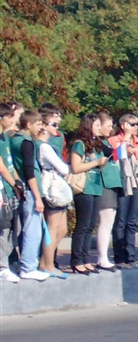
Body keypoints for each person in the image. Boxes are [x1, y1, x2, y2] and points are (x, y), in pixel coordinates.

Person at [9, 111, 50, 281]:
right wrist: (38, 197)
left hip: (22, 188)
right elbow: (29, 170)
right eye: (39, 124)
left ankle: (21, 264)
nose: (41, 127)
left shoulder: (14, 139)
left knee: (22, 228)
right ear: (29, 124)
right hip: (30, 189)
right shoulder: (26, 143)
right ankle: (28, 266)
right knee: (33, 229)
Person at [69, 113, 107, 275]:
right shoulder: (79, 144)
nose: (100, 128)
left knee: (91, 225)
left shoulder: (97, 144)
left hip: (96, 187)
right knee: (83, 225)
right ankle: (77, 259)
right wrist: (96, 163)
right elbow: (76, 167)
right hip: (84, 187)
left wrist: (102, 163)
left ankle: (85, 258)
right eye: (97, 125)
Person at [108, 114, 138, 269]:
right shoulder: (114, 140)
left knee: (132, 221)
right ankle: (119, 256)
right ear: (123, 125)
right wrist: (125, 143)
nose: (136, 127)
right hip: (123, 182)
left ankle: (131, 256)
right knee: (121, 220)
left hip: (137, 182)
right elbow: (115, 158)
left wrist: (137, 168)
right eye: (133, 124)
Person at [36, 117, 69, 278]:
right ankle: (47, 264)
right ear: (43, 126)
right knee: (53, 227)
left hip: (55, 184)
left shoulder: (47, 145)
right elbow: (62, 167)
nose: (57, 127)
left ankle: (44, 260)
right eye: (54, 124)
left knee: (62, 228)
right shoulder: (43, 146)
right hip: (51, 186)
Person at [95, 112, 122, 271]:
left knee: (109, 221)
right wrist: (124, 141)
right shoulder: (99, 143)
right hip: (103, 183)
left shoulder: (105, 142)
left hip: (112, 183)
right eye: (108, 126)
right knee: (105, 222)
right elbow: (113, 154)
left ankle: (103, 256)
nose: (111, 129)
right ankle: (102, 258)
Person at [0, 103, 21, 281]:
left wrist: (17, 183)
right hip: (2, 189)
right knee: (4, 228)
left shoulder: (5, 137)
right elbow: (2, 168)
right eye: (9, 117)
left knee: (12, 227)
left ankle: (7, 262)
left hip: (8, 188)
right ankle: (2, 266)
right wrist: (13, 183)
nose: (12, 120)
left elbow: (10, 165)